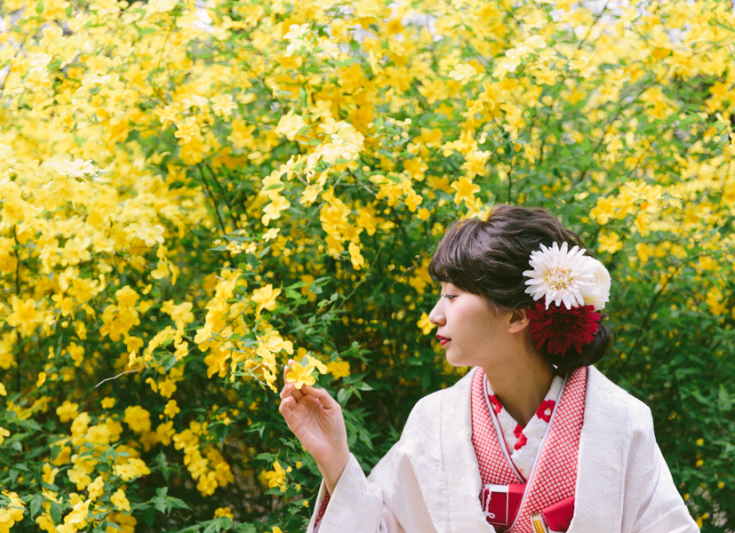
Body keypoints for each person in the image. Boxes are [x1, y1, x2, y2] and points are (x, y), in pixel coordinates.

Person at [278, 204, 699, 533]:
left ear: (517, 316)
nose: (434, 315)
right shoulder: (434, 420)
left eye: (452, 295)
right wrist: (335, 458)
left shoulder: (620, 421)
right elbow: (386, 527)